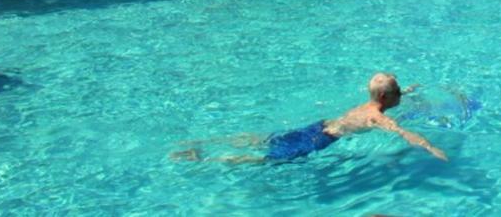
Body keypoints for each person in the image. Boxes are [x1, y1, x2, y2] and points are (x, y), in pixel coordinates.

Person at [178, 73, 446, 163]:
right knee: (269, 159)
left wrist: (410, 90)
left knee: (265, 140)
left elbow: (390, 94)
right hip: (321, 138)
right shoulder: (376, 117)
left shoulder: (368, 105)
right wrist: (430, 147)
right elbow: (402, 132)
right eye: (398, 91)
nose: (402, 94)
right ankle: (208, 159)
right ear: (387, 98)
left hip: (319, 125)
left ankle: (206, 141)